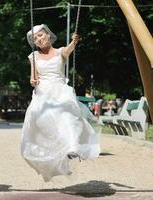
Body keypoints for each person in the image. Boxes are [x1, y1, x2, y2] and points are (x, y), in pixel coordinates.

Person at [21, 24, 100, 181]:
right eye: (35, 39)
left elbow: (69, 49)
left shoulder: (60, 52)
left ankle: (72, 146)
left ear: (49, 35)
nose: (39, 40)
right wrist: (33, 81)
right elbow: (33, 77)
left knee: (67, 118)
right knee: (46, 124)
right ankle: (58, 158)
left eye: (41, 36)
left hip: (60, 90)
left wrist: (74, 41)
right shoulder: (33, 56)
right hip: (43, 92)